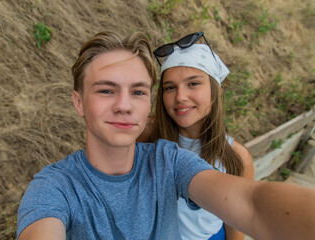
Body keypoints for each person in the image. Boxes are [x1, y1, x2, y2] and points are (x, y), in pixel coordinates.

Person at [17, 31, 315, 240]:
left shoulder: (169, 159)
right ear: (78, 101)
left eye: (137, 92)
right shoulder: (55, 187)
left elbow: (251, 204)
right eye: (106, 90)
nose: (124, 106)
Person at [145, 32, 254, 240]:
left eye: (193, 83)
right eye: (170, 87)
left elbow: (235, 223)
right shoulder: (148, 135)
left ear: (216, 91)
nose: (180, 97)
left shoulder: (237, 157)